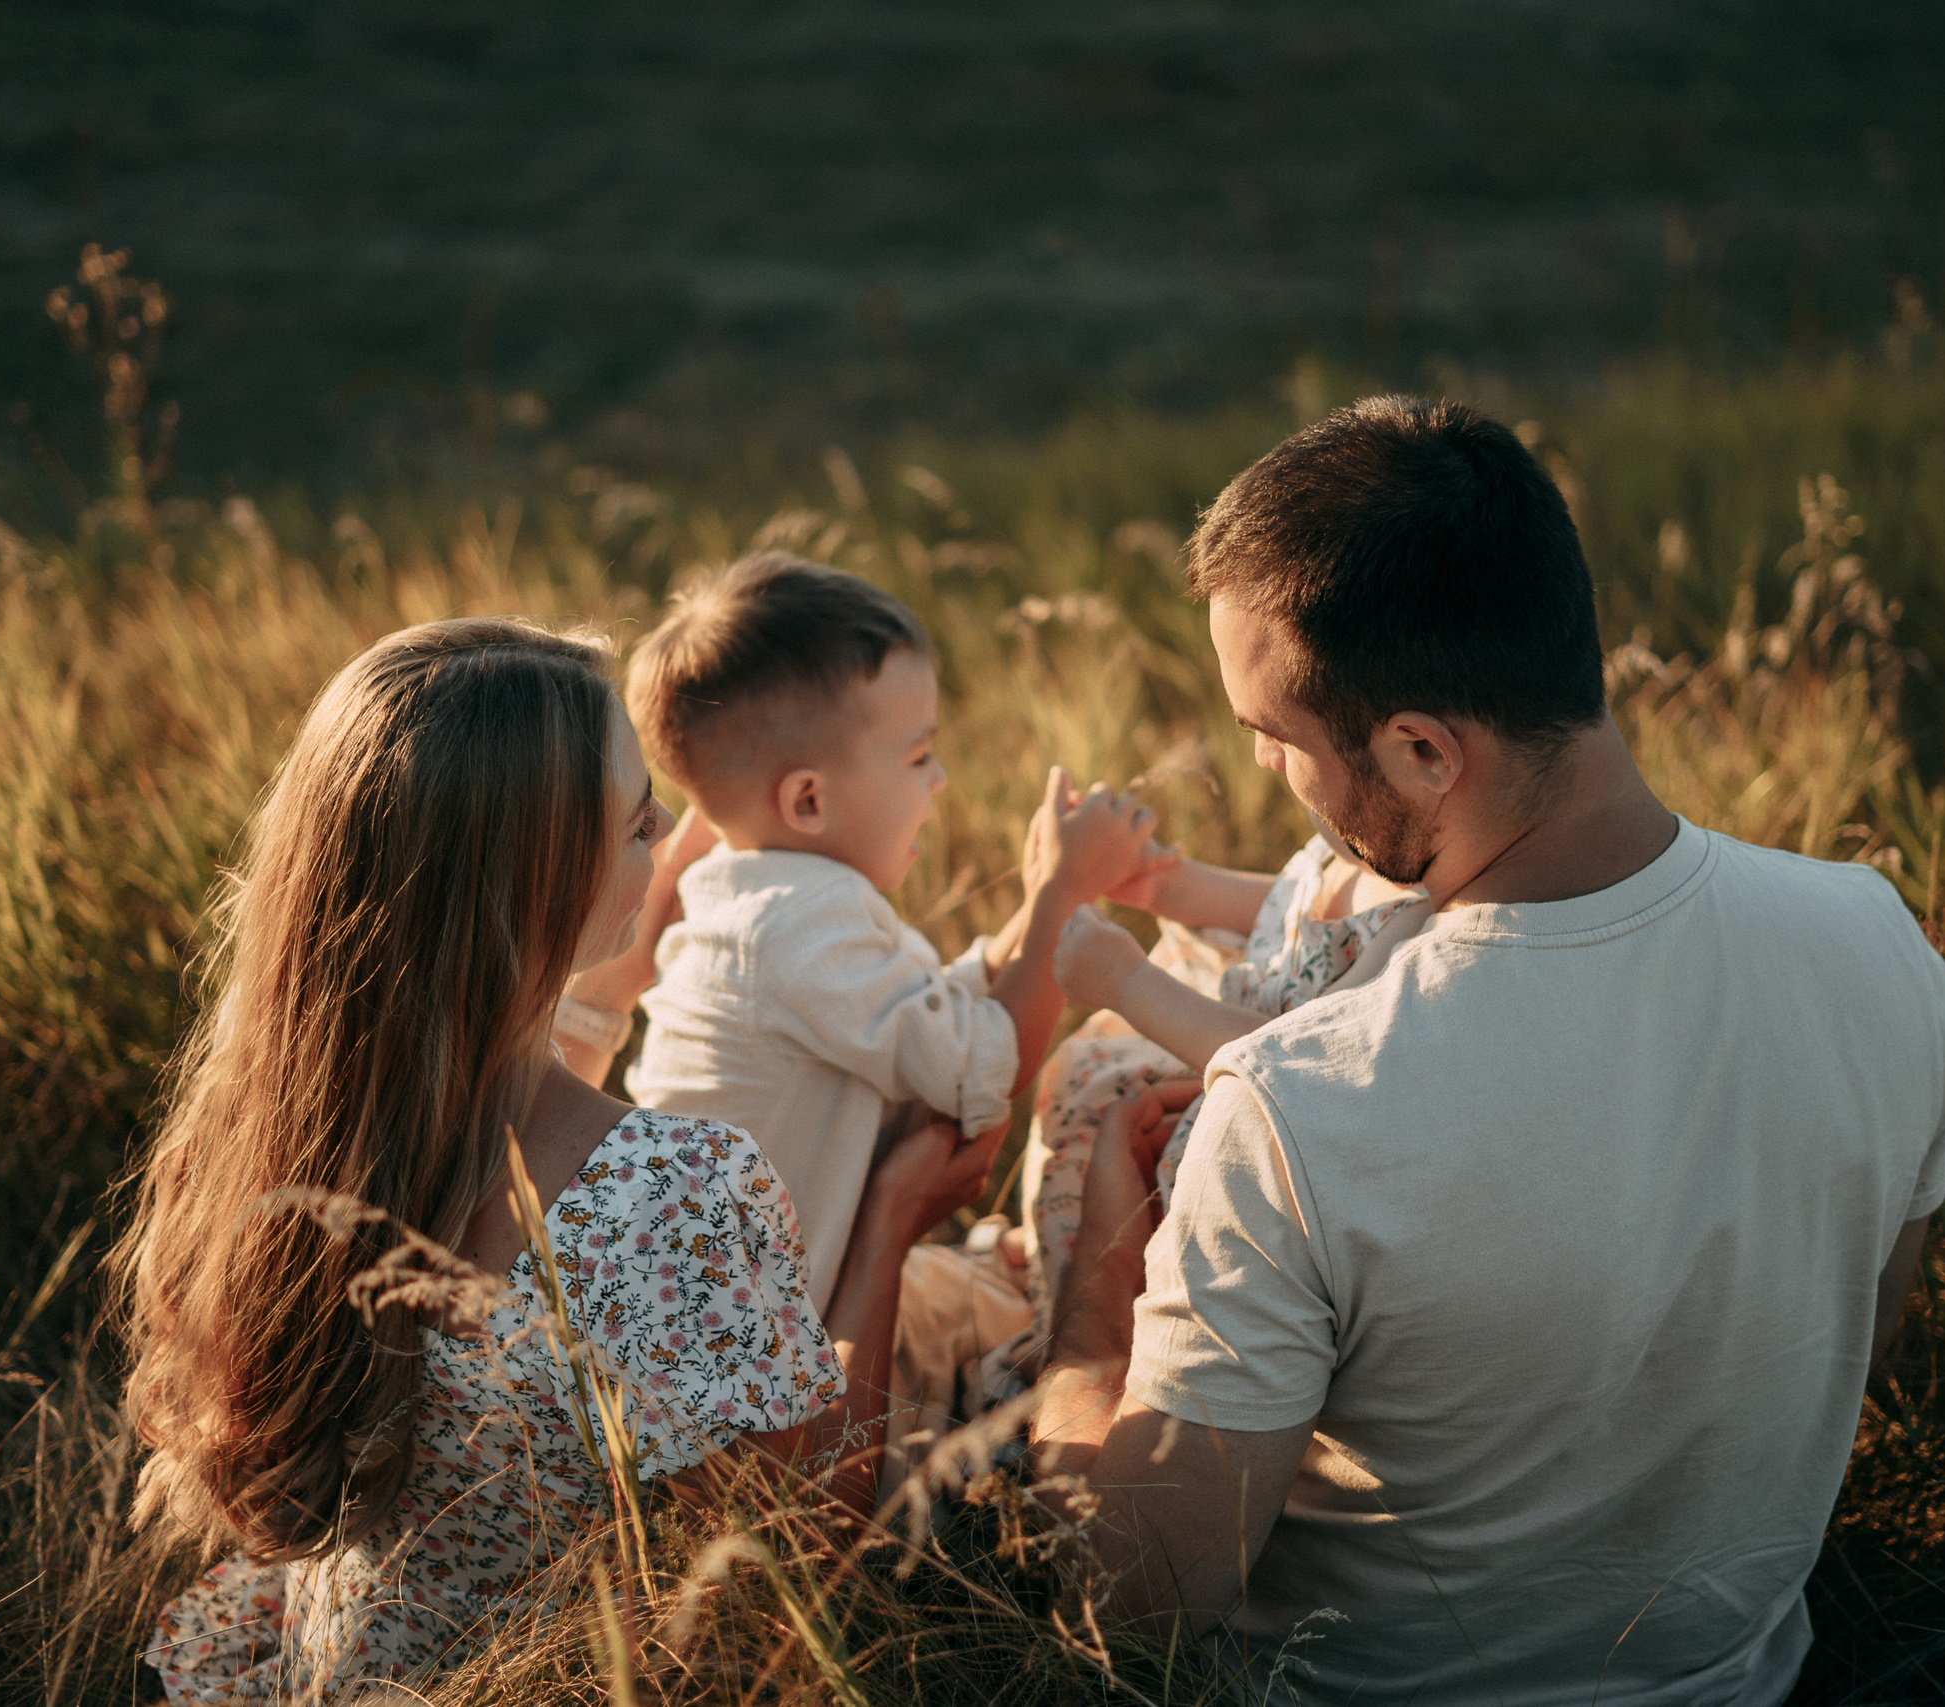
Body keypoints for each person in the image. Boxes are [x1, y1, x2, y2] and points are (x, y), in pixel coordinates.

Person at [1031, 397, 1945, 1707]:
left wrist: (1089, 1324)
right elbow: (1858, 1346)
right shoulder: (1879, 942)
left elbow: (1145, 1600)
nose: (1260, 764)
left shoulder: (1302, 1106)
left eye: (1277, 735)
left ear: (1422, 749)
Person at [116, 618, 1000, 1703]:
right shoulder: (664, 1192)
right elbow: (795, 1551)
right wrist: (893, 1222)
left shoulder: (259, 1120)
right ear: (534, 887)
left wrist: (593, 992)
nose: (672, 827)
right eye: (636, 824)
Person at [619, 553, 1160, 1481]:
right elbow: (987, 1066)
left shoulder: (762, 899)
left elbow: (922, 1014)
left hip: (774, 1335)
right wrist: (1059, 897)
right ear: (809, 799)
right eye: (916, 756)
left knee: (1019, 1304)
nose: (940, 778)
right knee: (1063, 1370)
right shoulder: (797, 923)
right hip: (763, 1407)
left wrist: (1014, 940)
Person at [1020, 816, 1424, 1330]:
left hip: (1255, 1146)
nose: (1269, 759)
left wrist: (1128, 984)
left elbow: (1297, 1062)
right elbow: (1263, 908)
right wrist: (1156, 882)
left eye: (1291, 742)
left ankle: (1098, 1348)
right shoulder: (1335, 863)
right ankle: (1055, 1305)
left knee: (1116, 1137)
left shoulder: (1412, 924)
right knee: (1093, 1079)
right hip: (1219, 1084)